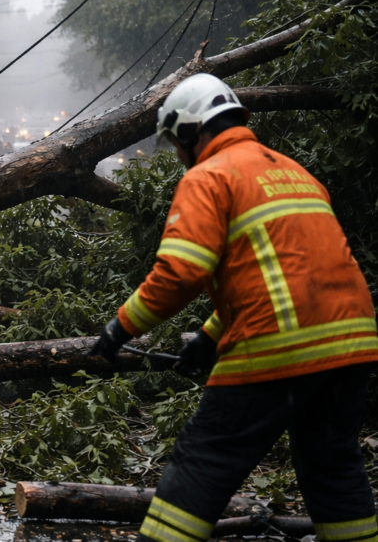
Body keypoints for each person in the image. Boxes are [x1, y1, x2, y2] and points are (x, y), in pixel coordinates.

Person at [87, 73, 378, 542]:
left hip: (279, 346)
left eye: (177, 145)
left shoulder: (210, 176)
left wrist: (120, 328)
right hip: (352, 345)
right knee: (333, 467)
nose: (180, 158)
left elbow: (181, 272)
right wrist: (208, 337)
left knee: (204, 458)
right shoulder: (294, 172)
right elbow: (275, 275)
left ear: (190, 132)